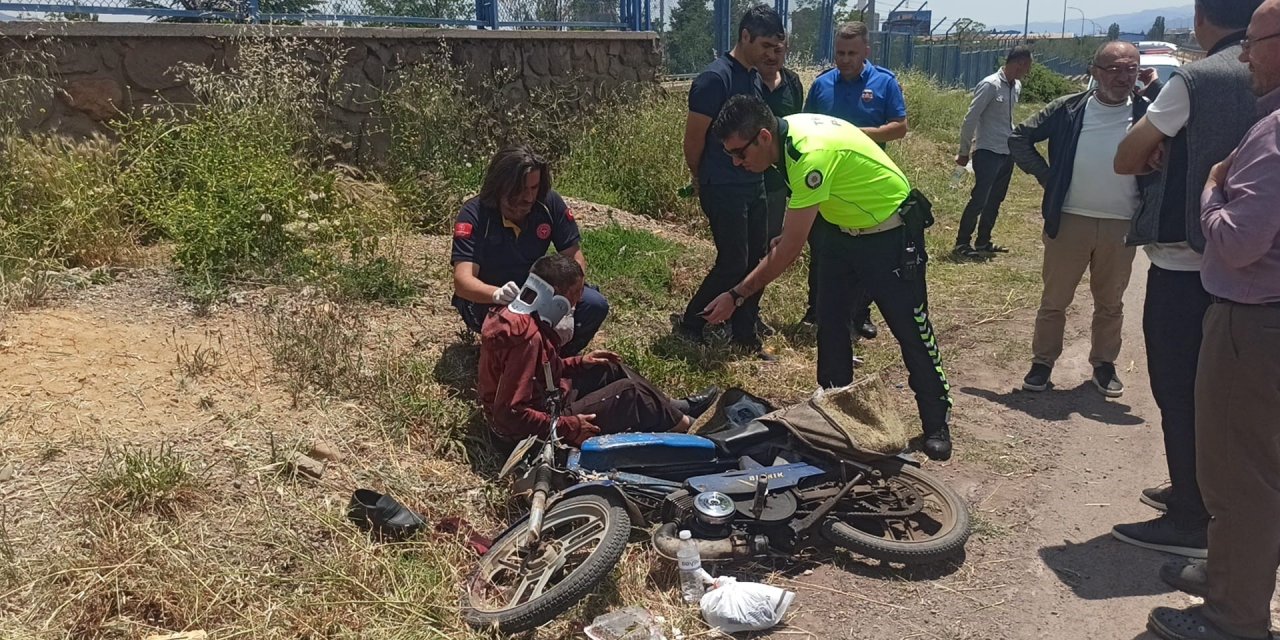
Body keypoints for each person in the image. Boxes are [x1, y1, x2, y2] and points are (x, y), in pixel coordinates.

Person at [701, 95, 953, 461]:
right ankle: (838, 413)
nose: (738, 163)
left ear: (763, 138)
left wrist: (737, 295)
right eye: (730, 157)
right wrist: (793, 233)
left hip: (889, 233)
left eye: (740, 153)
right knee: (830, 323)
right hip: (840, 231)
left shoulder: (808, 155)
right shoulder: (782, 141)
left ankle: (936, 421)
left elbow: (786, 255)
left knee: (910, 328)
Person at [1146, 4, 1280, 638]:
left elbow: (1236, 241)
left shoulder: (1274, 133)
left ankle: (1233, 617)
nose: (1245, 55)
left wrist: (1211, 187)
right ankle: (1234, 576)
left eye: (1254, 43)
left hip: (1255, 323)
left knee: (1239, 476)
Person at [1112, 0, 1261, 562]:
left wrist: (1163, 150)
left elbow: (1128, 156)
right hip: (1249, 261)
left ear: (1202, 19)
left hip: (1186, 257)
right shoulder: (1261, 81)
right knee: (1225, 392)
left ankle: (1192, 518)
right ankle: (1203, 493)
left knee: (1179, 391)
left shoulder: (1195, 79)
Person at [1008, 42, 1153, 402]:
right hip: (1070, 220)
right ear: (1095, 72)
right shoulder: (1069, 109)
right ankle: (1042, 363)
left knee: (1110, 303)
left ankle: (1104, 365)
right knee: (1054, 300)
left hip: (1121, 225)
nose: (1122, 77)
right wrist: (1048, 176)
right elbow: (1018, 137)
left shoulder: (1150, 113)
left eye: (1130, 69)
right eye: (1114, 69)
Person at [478, 254, 719, 446]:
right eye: (574, 297)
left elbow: (543, 372)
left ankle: (671, 408)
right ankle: (692, 429)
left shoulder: (517, 318)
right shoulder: (527, 339)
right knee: (629, 392)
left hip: (546, 400)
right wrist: (569, 426)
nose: (575, 305)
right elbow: (509, 414)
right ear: (556, 299)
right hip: (528, 433)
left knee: (607, 367)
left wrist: (581, 362)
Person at [676, 4, 785, 360]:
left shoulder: (753, 77)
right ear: (744, 36)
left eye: (776, 46)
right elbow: (694, 141)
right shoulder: (715, 78)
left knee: (758, 258)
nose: (771, 53)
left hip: (753, 185)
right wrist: (701, 179)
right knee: (734, 262)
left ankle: (744, 331)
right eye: (765, 44)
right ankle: (693, 322)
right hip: (722, 186)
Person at [800, 21, 909, 339]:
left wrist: (858, 135)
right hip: (826, 185)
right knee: (822, 248)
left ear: (866, 51)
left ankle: (860, 314)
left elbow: (900, 126)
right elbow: (806, 125)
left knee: (866, 252)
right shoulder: (822, 85)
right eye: (839, 53)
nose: (844, 59)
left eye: (851, 53)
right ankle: (815, 309)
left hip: (867, 186)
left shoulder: (884, 82)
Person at [450, 145, 609, 357]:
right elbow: (463, 282)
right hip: (490, 297)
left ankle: (556, 360)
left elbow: (574, 257)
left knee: (594, 304)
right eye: (518, 190)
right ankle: (509, 361)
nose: (527, 198)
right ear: (498, 187)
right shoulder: (475, 215)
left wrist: (566, 302)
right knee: (515, 327)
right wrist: (497, 294)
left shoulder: (548, 204)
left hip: (538, 291)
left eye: (533, 188)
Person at [953, 46, 1033, 261]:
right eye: (1026, 66)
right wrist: (964, 151)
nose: (1026, 71)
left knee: (995, 199)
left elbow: (1007, 119)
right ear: (1019, 63)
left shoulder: (1015, 86)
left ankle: (983, 241)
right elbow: (970, 119)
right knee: (979, 198)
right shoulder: (990, 85)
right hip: (987, 150)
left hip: (1007, 151)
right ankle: (962, 242)